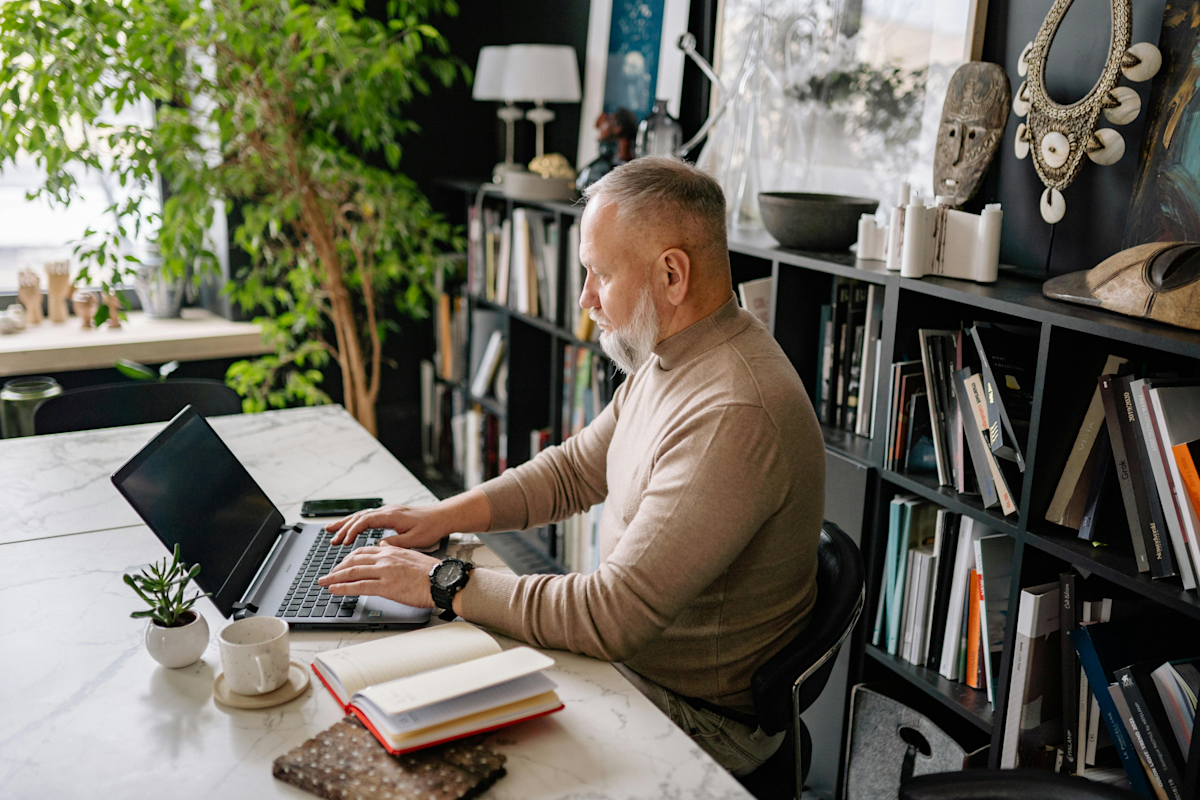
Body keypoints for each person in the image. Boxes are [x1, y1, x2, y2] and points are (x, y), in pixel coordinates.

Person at [318, 156, 826, 776]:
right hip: (633, 664)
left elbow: (610, 615)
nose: (584, 298)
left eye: (599, 275)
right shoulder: (674, 354)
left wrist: (439, 581)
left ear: (672, 274)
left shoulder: (733, 408)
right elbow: (574, 472)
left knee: (436, 742)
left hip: (699, 722)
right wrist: (440, 516)